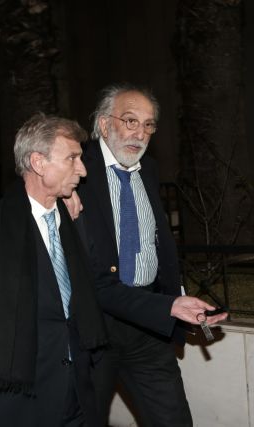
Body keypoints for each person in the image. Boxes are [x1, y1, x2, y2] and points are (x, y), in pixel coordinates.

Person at [74, 84, 228, 426]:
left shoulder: (150, 170)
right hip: (93, 327)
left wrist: (176, 300)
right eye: (130, 121)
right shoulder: (76, 170)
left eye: (148, 125)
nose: (140, 133)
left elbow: (158, 244)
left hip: (148, 321)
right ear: (104, 124)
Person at [0, 113, 107, 427]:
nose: (82, 169)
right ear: (38, 162)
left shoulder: (75, 222)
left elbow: (92, 294)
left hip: (78, 395)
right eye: (72, 158)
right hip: (21, 403)